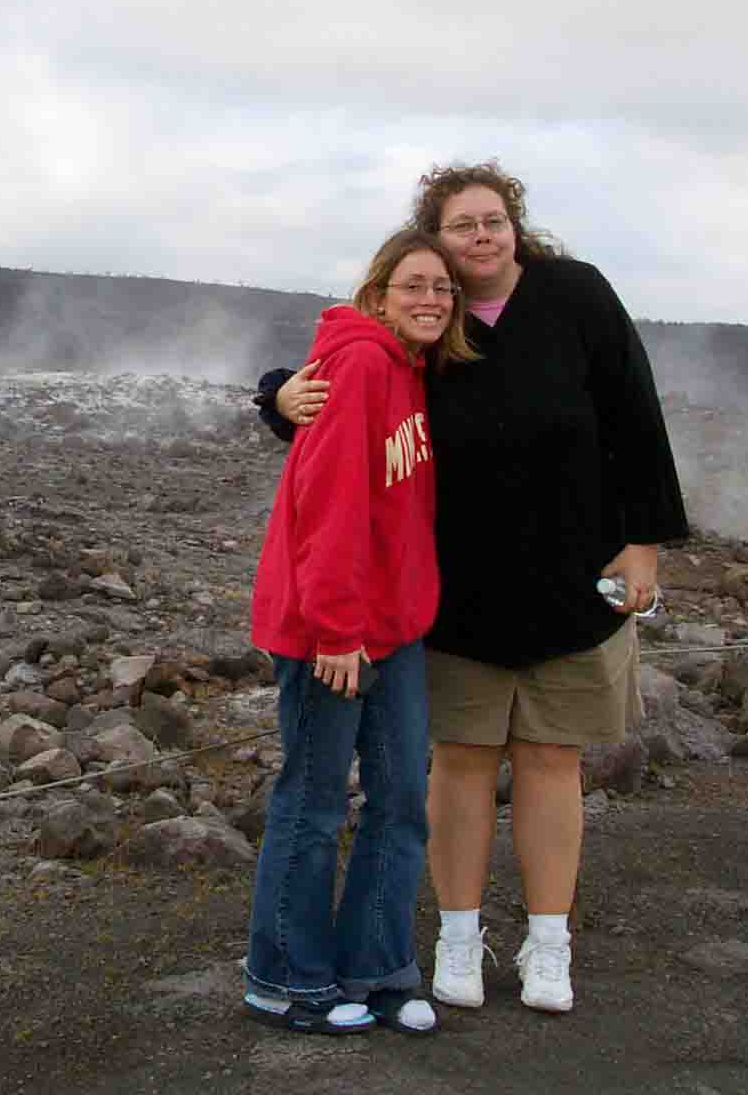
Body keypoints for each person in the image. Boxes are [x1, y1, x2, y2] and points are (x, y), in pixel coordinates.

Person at [255, 161, 687, 1016]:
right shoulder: (429, 328)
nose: (482, 236)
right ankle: (455, 937)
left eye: (494, 220)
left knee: (551, 758)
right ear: (435, 244)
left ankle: (548, 943)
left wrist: (646, 543)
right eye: (463, 226)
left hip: (572, 581)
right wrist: (278, 397)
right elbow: (345, 383)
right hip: (452, 595)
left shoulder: (576, 296)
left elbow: (637, 412)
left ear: (515, 225)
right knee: (455, 763)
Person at [243, 230, 476, 1037]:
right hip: (329, 635)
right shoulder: (363, 365)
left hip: (393, 629)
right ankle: (285, 978)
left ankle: (376, 969)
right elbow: (331, 506)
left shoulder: (411, 370)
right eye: (414, 285)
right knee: (313, 805)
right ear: (378, 294)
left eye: (442, 288)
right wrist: (337, 631)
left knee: (401, 799)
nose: (430, 299)